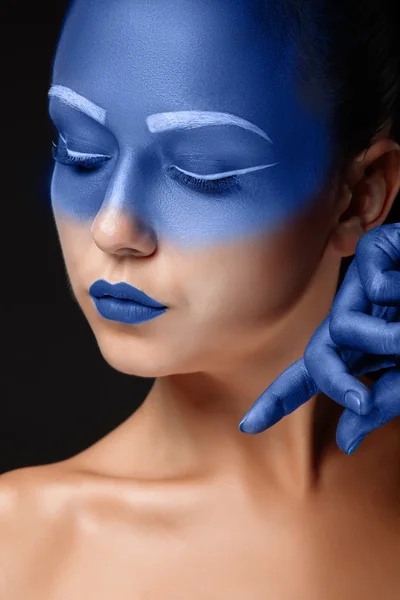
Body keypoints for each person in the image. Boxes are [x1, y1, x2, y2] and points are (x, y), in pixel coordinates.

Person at [1, 0, 400, 597]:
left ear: (359, 196)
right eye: (81, 153)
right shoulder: (24, 544)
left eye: (202, 172)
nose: (112, 228)